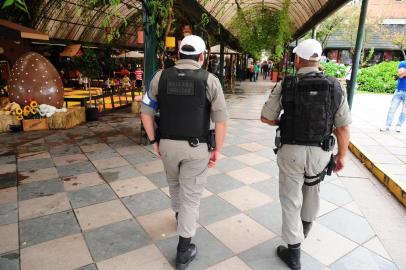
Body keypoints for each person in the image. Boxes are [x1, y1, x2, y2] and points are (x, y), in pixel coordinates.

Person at [260, 39, 351, 270]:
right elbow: (343, 126)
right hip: (321, 151)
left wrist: (285, 121)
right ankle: (306, 227)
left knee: (291, 200)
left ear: (297, 59)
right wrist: (342, 156)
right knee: (312, 189)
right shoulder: (335, 85)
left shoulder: (287, 83)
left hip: (291, 151)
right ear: (319, 59)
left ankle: (293, 252)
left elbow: (266, 117)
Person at [140, 35, 228, 270]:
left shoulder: (160, 76)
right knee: (191, 196)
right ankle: (183, 250)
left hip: (167, 145)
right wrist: (217, 150)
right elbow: (221, 121)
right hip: (196, 148)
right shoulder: (211, 80)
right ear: (202, 57)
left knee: (175, 185)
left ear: (178, 55)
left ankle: (180, 218)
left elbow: (145, 112)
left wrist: (153, 141)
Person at [381, 60, 406, 132]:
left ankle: (399, 126)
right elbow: (400, 74)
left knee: (404, 111)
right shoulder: (403, 63)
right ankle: (387, 125)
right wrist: (403, 73)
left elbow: (402, 74)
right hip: (399, 91)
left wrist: (404, 72)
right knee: (392, 109)